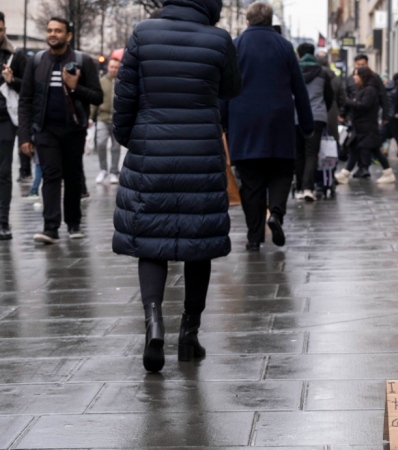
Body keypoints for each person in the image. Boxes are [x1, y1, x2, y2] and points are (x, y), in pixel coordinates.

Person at [112, 0, 242, 373]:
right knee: (198, 243)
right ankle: (189, 333)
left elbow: (125, 97)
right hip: (201, 150)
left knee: (149, 240)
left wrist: (132, 139)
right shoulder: (218, 39)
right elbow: (233, 87)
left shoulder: (143, 33)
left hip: (151, 149)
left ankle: (154, 321)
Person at [220, 2, 313, 251]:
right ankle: (277, 214)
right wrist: (307, 123)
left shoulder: (235, 46)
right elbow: (299, 89)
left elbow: (225, 88)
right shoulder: (284, 46)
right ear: (271, 21)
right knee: (282, 172)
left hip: (245, 124)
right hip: (279, 123)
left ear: (247, 21)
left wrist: (223, 122)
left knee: (251, 182)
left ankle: (253, 237)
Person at [18, 17, 102, 245]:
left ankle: (74, 224)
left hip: (74, 130)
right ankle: (50, 228)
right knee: (51, 175)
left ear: (68, 35)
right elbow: (25, 100)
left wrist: (75, 88)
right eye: (50, 30)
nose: (52, 34)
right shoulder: (36, 62)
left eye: (58, 31)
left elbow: (97, 96)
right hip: (45, 130)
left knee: (73, 177)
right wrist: (24, 136)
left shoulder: (82, 61)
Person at [340, 67, 394, 184]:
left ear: (362, 76)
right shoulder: (364, 89)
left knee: (375, 151)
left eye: (356, 75)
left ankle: (388, 173)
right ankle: (344, 174)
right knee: (355, 149)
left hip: (367, 126)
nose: (354, 77)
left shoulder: (370, 90)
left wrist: (348, 101)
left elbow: (364, 105)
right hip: (361, 126)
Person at [295, 42, 333, 202]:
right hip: (317, 116)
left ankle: (298, 189)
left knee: (298, 153)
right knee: (312, 153)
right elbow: (329, 96)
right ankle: (308, 188)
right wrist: (322, 109)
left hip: (295, 116)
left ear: (299, 54)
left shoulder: (293, 69)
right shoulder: (323, 72)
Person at [0, 11, 27, 240]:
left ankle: (3, 222)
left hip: (5, 121)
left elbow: (28, 89)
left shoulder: (15, 56)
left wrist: (12, 81)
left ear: (4, 29)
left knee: (3, 172)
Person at [91, 49, 123, 185]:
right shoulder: (102, 81)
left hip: (117, 120)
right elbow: (95, 100)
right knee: (101, 143)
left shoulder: (123, 82)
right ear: (108, 67)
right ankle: (103, 169)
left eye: (116, 67)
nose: (114, 70)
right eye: (112, 67)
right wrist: (90, 117)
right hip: (102, 118)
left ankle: (114, 171)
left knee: (116, 147)